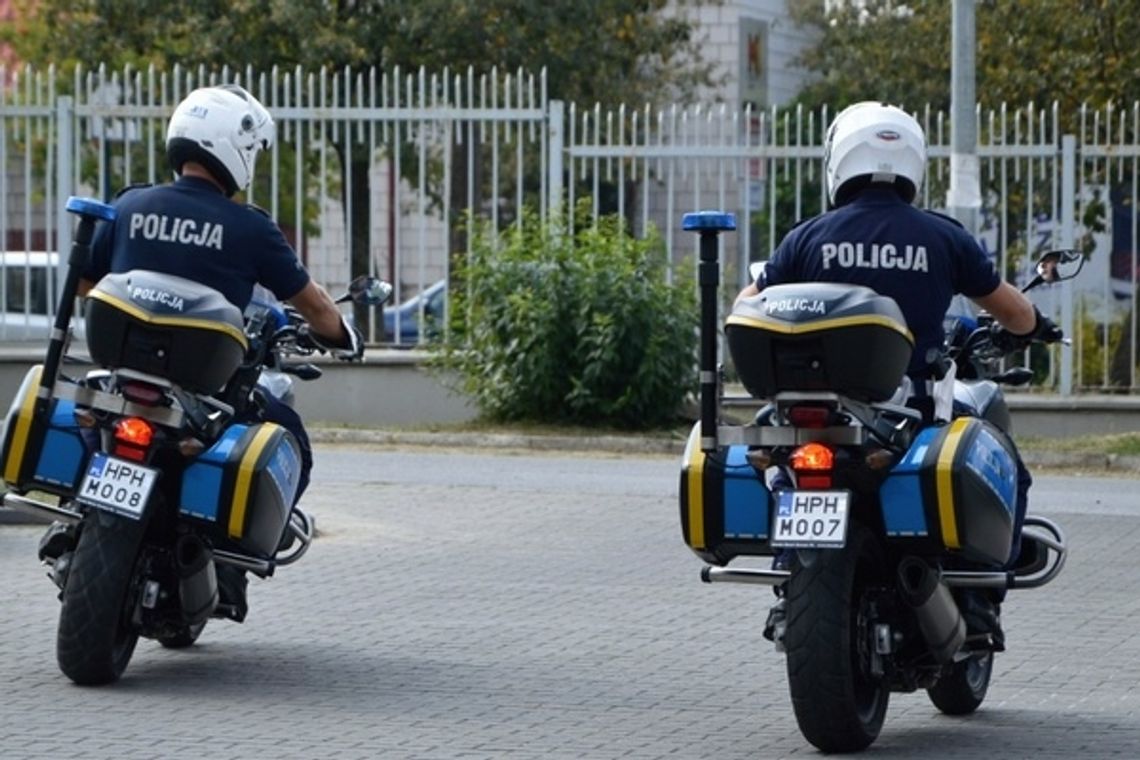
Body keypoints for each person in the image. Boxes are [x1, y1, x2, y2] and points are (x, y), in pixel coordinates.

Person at [739, 101, 1059, 651]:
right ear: (914, 161)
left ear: (839, 159)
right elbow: (1015, 313)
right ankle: (981, 603)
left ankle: (788, 576)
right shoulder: (943, 236)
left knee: (777, 462)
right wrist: (1033, 326)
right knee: (1009, 467)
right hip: (909, 408)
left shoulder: (807, 237)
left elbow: (747, 306)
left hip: (819, 410)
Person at [76, 84, 363, 620]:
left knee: (90, 412)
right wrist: (343, 336)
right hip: (199, 391)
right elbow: (315, 304)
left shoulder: (130, 203)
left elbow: (86, 283)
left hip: (122, 377)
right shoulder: (250, 227)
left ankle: (76, 515)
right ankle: (230, 568)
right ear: (239, 148)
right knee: (285, 433)